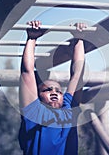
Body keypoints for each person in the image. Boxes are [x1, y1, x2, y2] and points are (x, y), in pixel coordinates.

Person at [18, 20, 86, 155]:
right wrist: (32, 38)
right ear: (38, 95)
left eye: (58, 91)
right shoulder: (34, 112)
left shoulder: (68, 110)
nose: (54, 92)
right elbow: (27, 72)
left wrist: (79, 39)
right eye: (47, 90)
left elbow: (77, 75)